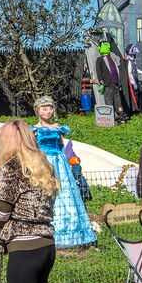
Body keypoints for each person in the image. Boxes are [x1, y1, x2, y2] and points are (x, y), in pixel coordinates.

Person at [0, 119, 60, 283]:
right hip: (46, 244)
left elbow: (2, 209)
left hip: (24, 247)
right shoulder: (43, 165)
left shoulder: (12, 167)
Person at [32, 97, 97, 248]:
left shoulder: (58, 128)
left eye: (50, 108)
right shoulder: (34, 129)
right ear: (37, 111)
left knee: (65, 193)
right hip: (44, 162)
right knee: (45, 192)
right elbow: (33, 147)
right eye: (44, 108)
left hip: (59, 163)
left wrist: (68, 162)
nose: (48, 111)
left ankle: (71, 233)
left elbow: (61, 145)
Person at [94, 42, 126, 120]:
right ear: (100, 48)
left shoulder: (112, 58)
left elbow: (117, 69)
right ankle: (111, 117)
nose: (107, 47)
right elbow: (99, 72)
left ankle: (121, 115)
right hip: (107, 84)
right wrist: (101, 82)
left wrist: (119, 82)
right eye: (105, 46)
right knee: (109, 101)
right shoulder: (100, 59)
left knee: (118, 101)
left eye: (108, 46)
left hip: (115, 83)